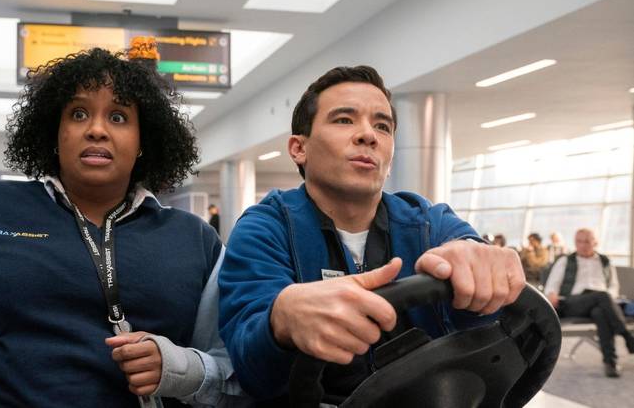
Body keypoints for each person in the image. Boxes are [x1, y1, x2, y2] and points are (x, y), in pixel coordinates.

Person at [0, 48, 249, 407]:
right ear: (55, 134)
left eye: (119, 116)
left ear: (144, 140)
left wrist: (184, 369)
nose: (96, 129)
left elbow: (232, 366)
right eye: (78, 113)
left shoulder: (195, 240)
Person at [217, 65, 525, 402]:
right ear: (298, 148)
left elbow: (469, 251)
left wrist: (480, 262)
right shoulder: (265, 228)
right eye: (344, 120)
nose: (369, 135)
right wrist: (279, 323)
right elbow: (250, 367)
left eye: (382, 126)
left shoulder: (428, 223)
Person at [544, 228, 634, 378]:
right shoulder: (565, 260)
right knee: (602, 297)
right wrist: (552, 294)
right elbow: (552, 285)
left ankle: (610, 363)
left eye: (586, 241)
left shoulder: (605, 262)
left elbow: (613, 287)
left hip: (601, 302)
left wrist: (607, 299)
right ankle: (626, 336)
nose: (582, 245)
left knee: (600, 311)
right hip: (573, 302)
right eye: (578, 241)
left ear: (595, 242)